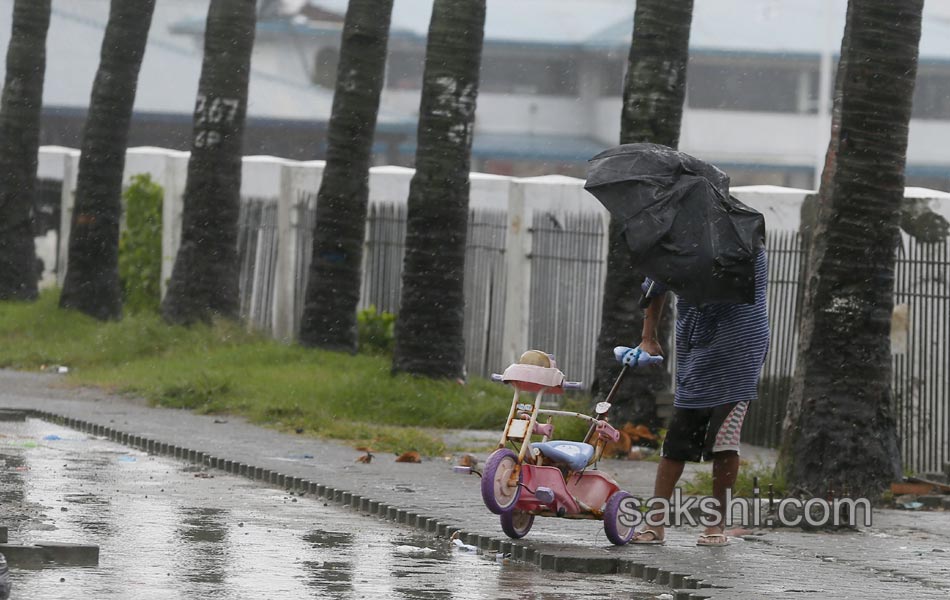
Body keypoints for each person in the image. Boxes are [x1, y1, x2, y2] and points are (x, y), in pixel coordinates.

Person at [625, 248, 770, 546]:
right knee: (678, 438)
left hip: (741, 346)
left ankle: (715, 525)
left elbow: (732, 287)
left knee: (724, 439)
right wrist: (648, 338)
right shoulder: (676, 241)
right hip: (697, 349)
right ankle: (655, 523)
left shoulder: (745, 239)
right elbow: (655, 285)